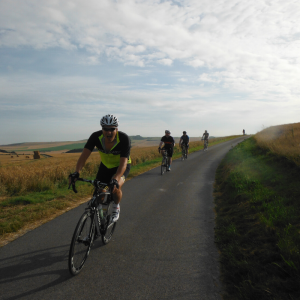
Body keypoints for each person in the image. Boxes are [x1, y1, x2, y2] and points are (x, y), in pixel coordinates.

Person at [69, 114, 131, 222]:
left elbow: (123, 164)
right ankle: (103, 215)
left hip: (120, 167)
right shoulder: (95, 137)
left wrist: (116, 179)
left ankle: (116, 206)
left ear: (116, 129)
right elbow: (83, 157)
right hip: (105, 166)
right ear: (102, 129)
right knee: (100, 193)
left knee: (115, 188)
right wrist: (76, 172)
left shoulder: (124, 139)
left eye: (111, 129)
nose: (108, 132)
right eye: (105, 129)